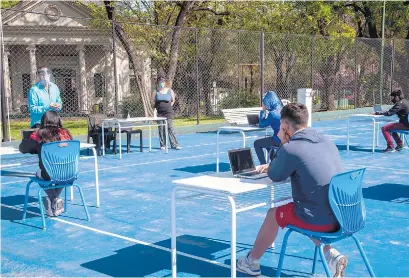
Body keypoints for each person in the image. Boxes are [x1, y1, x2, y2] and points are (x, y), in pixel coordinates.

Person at [237, 103, 348, 277]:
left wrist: (282, 143)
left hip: (318, 219)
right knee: (311, 210)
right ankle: (331, 255)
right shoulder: (326, 140)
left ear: (284, 126)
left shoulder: (291, 148)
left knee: (274, 214)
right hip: (342, 216)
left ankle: (251, 262)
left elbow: (275, 174)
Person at [19, 111, 72, 217]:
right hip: (69, 173)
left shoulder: (39, 134)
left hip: (48, 174)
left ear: (43, 121)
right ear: (58, 120)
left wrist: (29, 142)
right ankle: (54, 200)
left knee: (39, 173)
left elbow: (23, 148)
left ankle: (53, 199)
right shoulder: (66, 133)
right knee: (60, 176)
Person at [151, 77, 181, 150]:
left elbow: (173, 100)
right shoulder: (155, 91)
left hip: (168, 112)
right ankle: (163, 145)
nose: (162, 83)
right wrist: (157, 107)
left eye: (163, 82)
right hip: (160, 113)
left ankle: (175, 144)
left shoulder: (170, 91)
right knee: (161, 128)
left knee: (170, 128)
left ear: (165, 82)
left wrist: (169, 106)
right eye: (160, 82)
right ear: (158, 83)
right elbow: (152, 101)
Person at [254, 91, 283, 164]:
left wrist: (263, 111)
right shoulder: (282, 109)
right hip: (286, 138)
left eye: (264, 103)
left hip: (279, 140)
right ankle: (274, 162)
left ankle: (263, 165)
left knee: (256, 143)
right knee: (267, 142)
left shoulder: (273, 114)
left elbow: (261, 125)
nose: (264, 105)